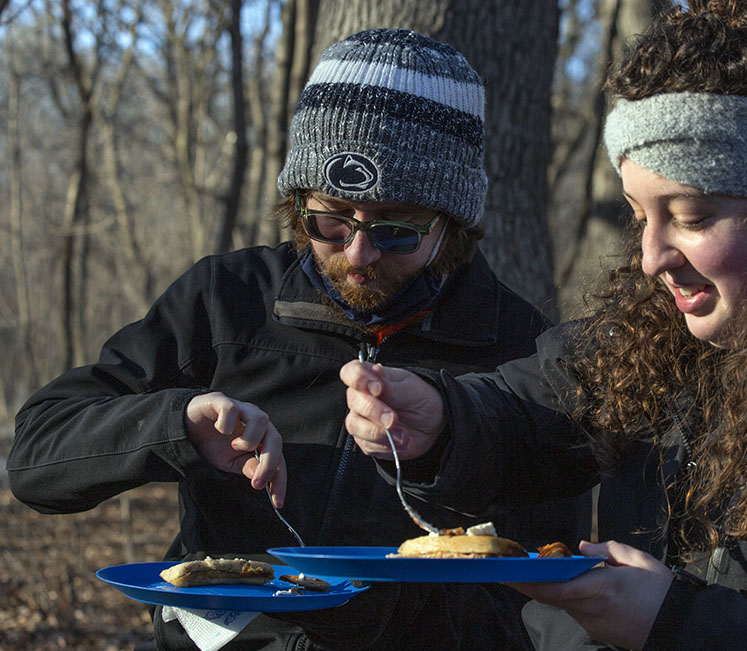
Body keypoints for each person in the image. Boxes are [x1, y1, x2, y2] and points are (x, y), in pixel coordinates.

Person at [339, 2, 747, 649]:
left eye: (691, 215)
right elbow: (531, 411)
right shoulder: (656, 330)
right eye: (638, 213)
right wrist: (442, 422)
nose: (652, 258)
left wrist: (676, 623)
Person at [8, 28, 586, 650]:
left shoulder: (522, 352)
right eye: (330, 218)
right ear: (296, 202)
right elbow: (37, 458)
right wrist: (178, 425)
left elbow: (548, 586)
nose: (358, 254)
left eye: (396, 229)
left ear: (453, 224)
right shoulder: (224, 300)